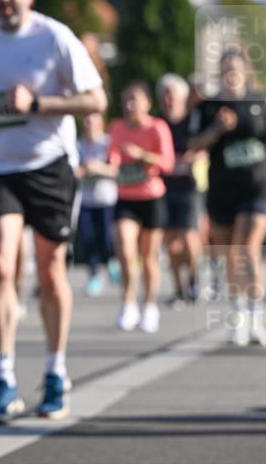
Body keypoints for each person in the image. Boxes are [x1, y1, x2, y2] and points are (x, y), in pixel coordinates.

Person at [0, 0, 106, 424]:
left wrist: (40, 104)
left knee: (49, 272)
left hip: (49, 167)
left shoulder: (55, 37)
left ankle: (54, 370)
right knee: (2, 265)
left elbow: (95, 101)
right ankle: (4, 379)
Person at [187, 47, 266, 347]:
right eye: (225, 68)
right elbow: (193, 145)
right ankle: (239, 313)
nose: (231, 73)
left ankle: (257, 316)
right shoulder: (208, 106)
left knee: (247, 246)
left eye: (235, 68)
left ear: (245, 71)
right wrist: (216, 129)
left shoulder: (261, 100)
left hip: (257, 184)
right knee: (230, 251)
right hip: (223, 188)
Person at [109, 81, 174, 333]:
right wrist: (112, 162)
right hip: (126, 196)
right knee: (125, 251)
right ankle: (128, 303)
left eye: (135, 100)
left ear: (147, 103)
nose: (129, 105)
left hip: (151, 196)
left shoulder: (157, 127)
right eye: (126, 100)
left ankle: (149, 306)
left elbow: (167, 163)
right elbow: (113, 155)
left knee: (148, 257)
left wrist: (141, 155)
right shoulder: (116, 127)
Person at [156, 73, 201, 303]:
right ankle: (179, 289)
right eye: (164, 95)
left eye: (172, 95)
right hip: (164, 187)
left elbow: (202, 147)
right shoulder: (158, 124)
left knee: (190, 238)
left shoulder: (193, 120)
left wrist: (188, 159)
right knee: (171, 243)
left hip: (189, 187)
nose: (168, 100)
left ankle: (194, 279)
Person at [75, 112, 120, 296]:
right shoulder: (77, 145)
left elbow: (117, 170)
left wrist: (99, 168)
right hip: (85, 200)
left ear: (101, 122)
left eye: (92, 120)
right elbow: (73, 171)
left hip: (106, 199)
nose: (88, 124)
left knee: (106, 237)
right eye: (85, 120)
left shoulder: (109, 143)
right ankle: (94, 274)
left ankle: (112, 261)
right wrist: (84, 170)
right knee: (87, 238)